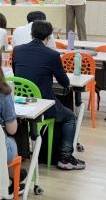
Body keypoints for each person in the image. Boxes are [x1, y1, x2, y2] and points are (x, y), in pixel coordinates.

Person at [12, 20, 84, 170]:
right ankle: (65, 157)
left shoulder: (17, 50)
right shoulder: (52, 55)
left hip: (21, 103)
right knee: (70, 117)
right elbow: (64, 83)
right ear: (50, 37)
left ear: (31, 33)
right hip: (42, 105)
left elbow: (16, 74)